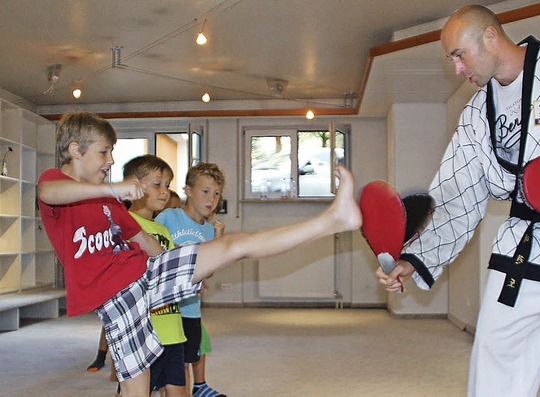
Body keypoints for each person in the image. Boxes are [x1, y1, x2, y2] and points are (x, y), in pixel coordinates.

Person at [377, 5, 540, 397]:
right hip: (526, 246)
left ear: (489, 36)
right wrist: (414, 259)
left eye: (458, 55)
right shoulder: (476, 116)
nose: (457, 70)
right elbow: (455, 194)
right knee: (495, 359)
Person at [37, 111, 362, 397]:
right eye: (104, 152)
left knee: (232, 245)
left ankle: (332, 219)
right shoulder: (56, 184)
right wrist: (113, 188)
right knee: (137, 383)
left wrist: (195, 262)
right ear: (75, 150)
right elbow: (50, 192)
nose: (110, 161)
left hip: (144, 273)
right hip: (116, 297)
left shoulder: (107, 202)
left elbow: (147, 242)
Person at [155, 163, 227, 397]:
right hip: (164, 308)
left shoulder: (208, 231)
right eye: (205, 191)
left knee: (184, 364)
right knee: (164, 368)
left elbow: (208, 272)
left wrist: (217, 243)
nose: (211, 199)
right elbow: (154, 249)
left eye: (216, 194)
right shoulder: (169, 216)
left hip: (190, 310)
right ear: (188, 190)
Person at [122, 154, 187, 397]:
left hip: (171, 327)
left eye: (167, 186)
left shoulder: (162, 230)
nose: (164, 192)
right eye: (157, 184)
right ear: (134, 185)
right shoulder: (124, 223)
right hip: (141, 333)